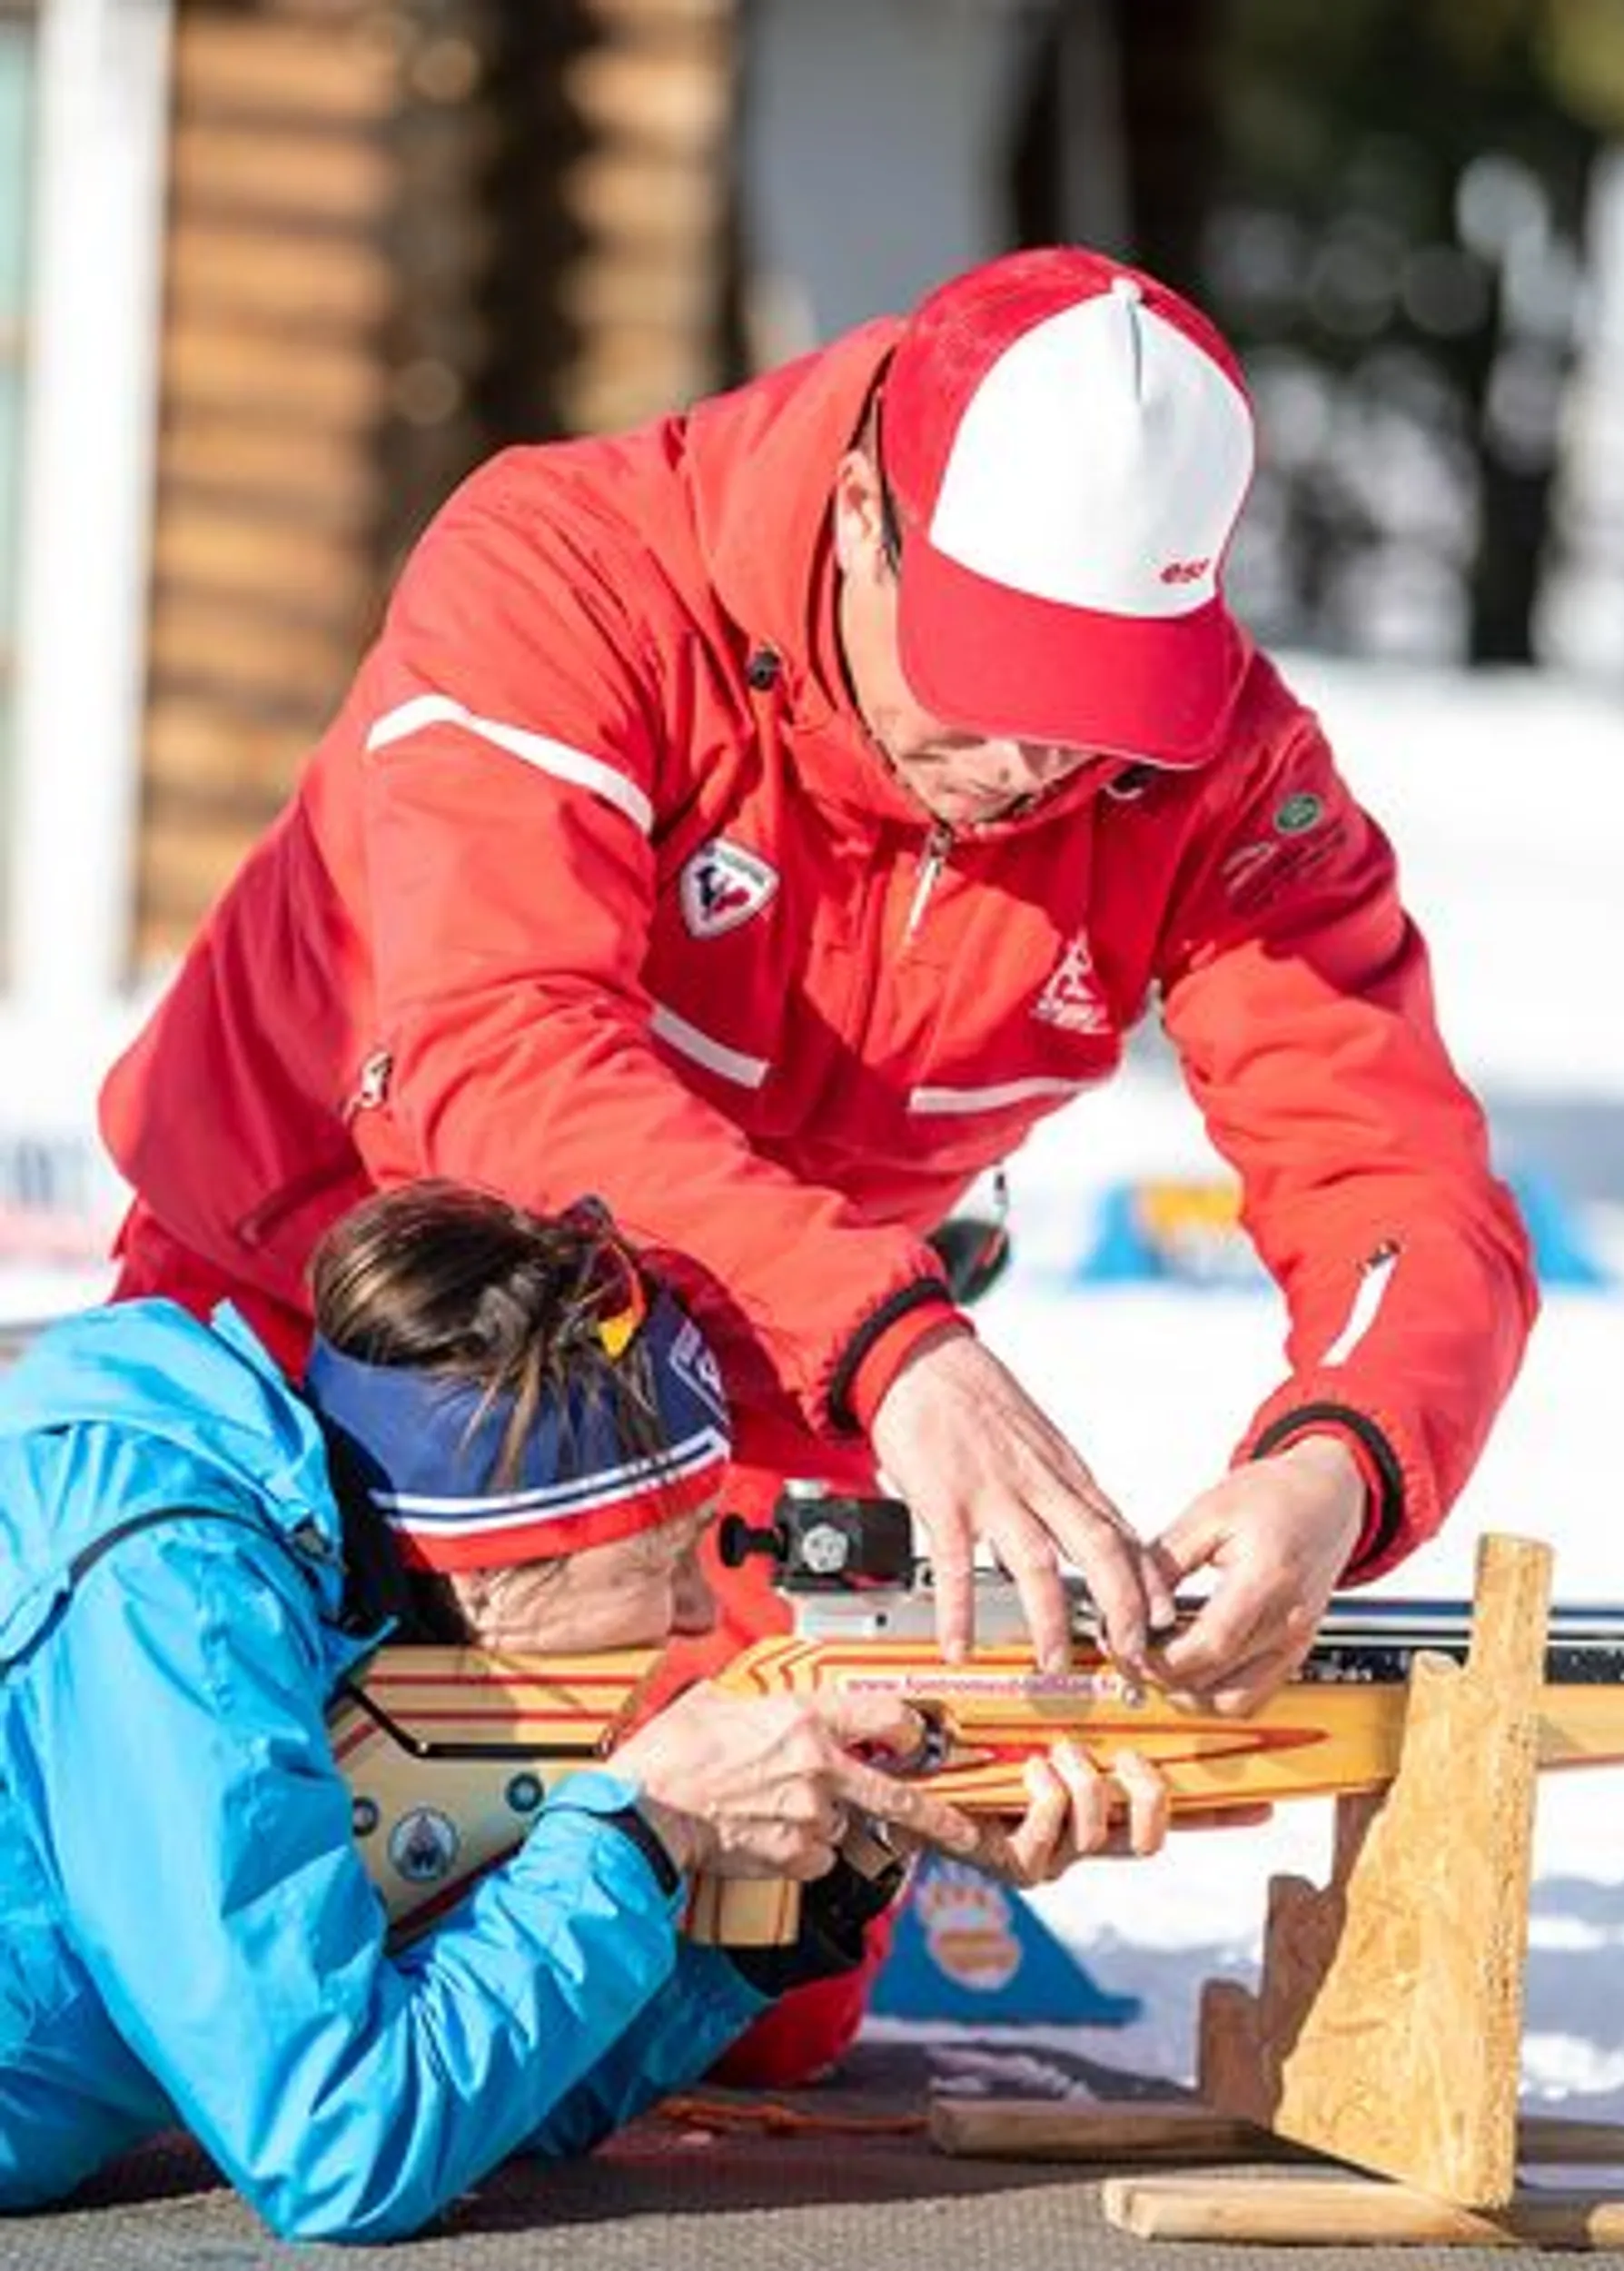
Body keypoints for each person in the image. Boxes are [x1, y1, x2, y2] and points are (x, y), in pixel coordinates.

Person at [100, 242, 1534, 1708]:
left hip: (740, 1407)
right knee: (201, 1882)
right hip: (296, 1336)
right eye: (995, 679)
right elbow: (494, 1045)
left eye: (1099, 707)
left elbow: (1392, 1175)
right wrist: (890, 1344)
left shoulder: (1219, 776)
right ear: (862, 516)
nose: (1031, 765)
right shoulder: (560, 575)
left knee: (775, 1876)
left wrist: (1336, 1464)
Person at [0, 1182, 1154, 2244]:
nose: (698, 1602)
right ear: (493, 1562)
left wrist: (795, 1905)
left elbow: (505, 2104)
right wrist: (638, 1828)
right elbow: (340, 2141)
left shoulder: (326, 1598)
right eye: (657, 1555)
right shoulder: (175, 1602)